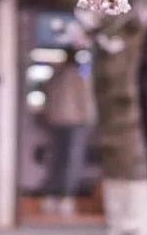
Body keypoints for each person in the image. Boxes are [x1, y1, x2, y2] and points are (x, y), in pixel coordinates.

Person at [43, 48, 96, 216]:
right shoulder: (80, 78)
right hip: (76, 123)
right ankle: (66, 197)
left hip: (56, 122)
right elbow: (86, 102)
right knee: (71, 161)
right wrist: (90, 121)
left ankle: (52, 195)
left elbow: (47, 99)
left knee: (56, 160)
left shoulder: (55, 76)